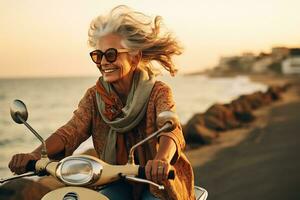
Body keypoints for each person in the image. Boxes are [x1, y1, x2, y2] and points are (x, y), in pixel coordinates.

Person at [8, 5, 195, 200]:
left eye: (111, 54)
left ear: (134, 56)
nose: (103, 62)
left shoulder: (158, 92)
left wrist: (161, 160)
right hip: (116, 180)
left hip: (156, 181)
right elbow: (71, 131)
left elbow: (170, 130)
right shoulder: (94, 97)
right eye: (98, 56)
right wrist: (35, 155)